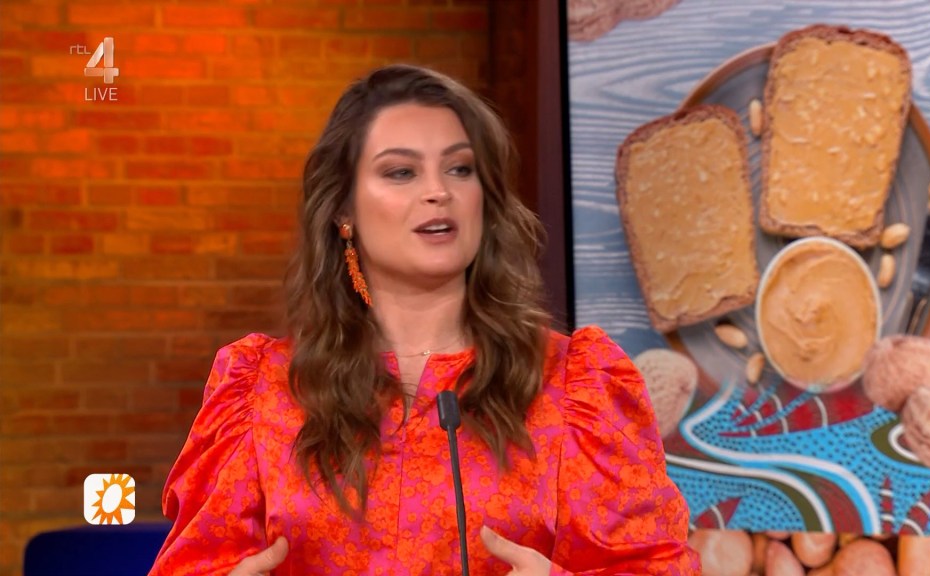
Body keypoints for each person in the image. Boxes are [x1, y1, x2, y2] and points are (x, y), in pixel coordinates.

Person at [150, 64, 701, 575]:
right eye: (401, 172)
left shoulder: (574, 384)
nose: (439, 192)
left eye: (460, 169)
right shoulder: (261, 390)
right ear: (343, 210)